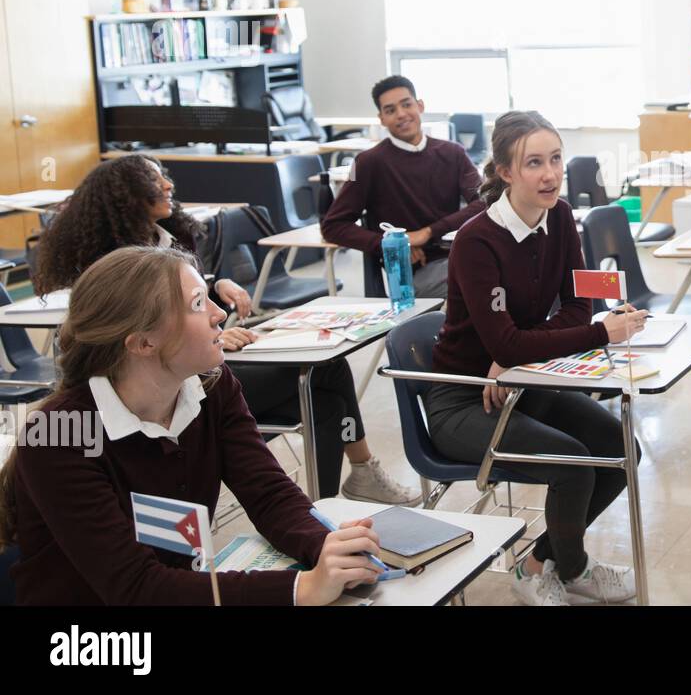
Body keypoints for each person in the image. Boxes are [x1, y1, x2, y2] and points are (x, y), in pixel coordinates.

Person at [0, 246, 384, 604]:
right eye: (198, 304)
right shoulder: (57, 436)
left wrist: (330, 548)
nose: (219, 313)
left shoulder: (211, 385)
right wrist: (301, 587)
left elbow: (268, 492)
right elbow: (135, 588)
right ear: (143, 343)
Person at [32, 154, 417, 505]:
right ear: (125, 197)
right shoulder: (118, 269)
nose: (168, 185)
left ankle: (335, 497)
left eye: (164, 177)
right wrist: (215, 335)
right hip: (168, 380)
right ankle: (351, 481)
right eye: (154, 181)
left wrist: (216, 284)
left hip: (196, 367)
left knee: (326, 389)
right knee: (319, 378)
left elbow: (186, 296)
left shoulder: (168, 237)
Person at [424, 110, 648, 606]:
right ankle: (568, 568)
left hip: (522, 383)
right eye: (533, 163)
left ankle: (540, 562)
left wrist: (515, 352)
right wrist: (589, 334)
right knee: (573, 464)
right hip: (462, 402)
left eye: (555, 159)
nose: (549, 174)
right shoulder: (476, 241)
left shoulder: (562, 216)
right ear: (505, 171)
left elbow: (577, 303)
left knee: (620, 450)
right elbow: (568, 325)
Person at [321, 76, 485, 298]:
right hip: (418, 271)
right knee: (485, 281)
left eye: (406, 104)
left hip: (460, 254)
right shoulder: (366, 162)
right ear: (381, 119)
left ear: (420, 106)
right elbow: (333, 226)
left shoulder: (453, 152)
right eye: (390, 110)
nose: (401, 114)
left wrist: (428, 232)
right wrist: (393, 244)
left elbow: (484, 201)